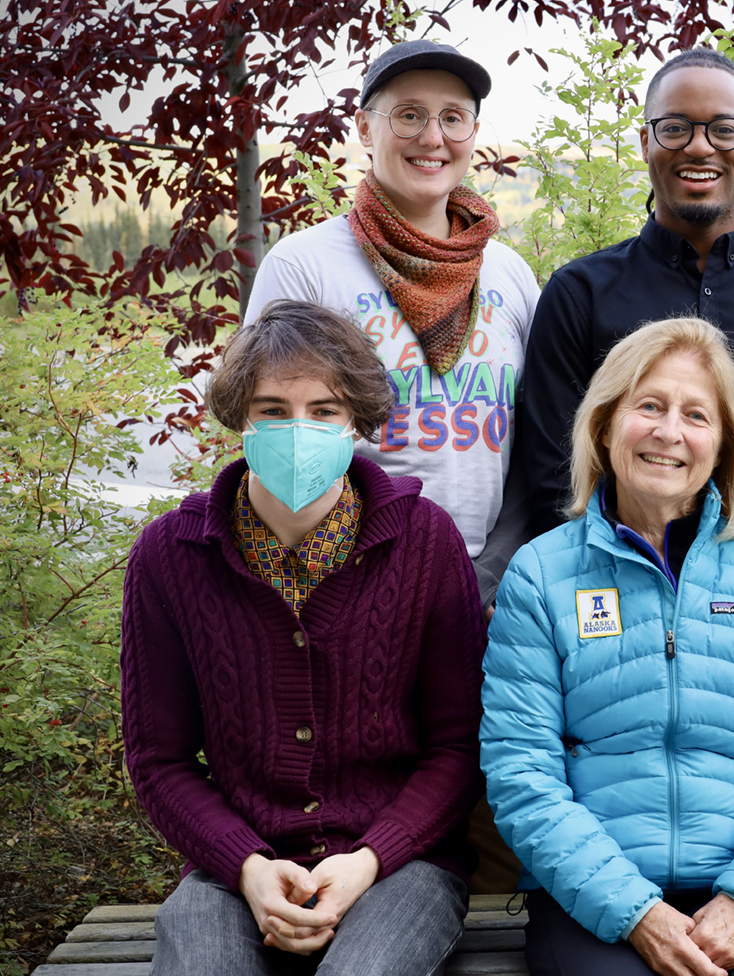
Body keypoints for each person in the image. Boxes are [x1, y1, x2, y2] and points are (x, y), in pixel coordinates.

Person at [121, 301, 486, 975]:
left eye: (324, 411)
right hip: (234, 871)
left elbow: (457, 746)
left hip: (400, 865)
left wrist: (370, 858)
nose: (299, 431)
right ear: (239, 418)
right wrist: (248, 867)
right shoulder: (170, 557)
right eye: (272, 411)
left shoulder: (425, 545)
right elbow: (159, 761)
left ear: (356, 421)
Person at [481, 317, 734, 976]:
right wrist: (634, 912)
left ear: (724, 442)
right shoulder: (541, 575)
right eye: (648, 406)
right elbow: (522, 773)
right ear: (604, 424)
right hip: (593, 900)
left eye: (696, 415)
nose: (669, 432)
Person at [512, 47, 734, 568]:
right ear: (645, 142)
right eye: (675, 127)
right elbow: (553, 471)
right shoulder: (578, 295)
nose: (700, 147)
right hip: (608, 591)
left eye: (723, 129)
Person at [245, 41, 540, 610]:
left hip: (489, 590)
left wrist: (498, 569)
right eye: (409, 115)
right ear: (363, 127)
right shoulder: (305, 267)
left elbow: (536, 438)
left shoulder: (510, 272)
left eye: (453, 118)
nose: (433, 138)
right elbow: (274, 443)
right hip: (348, 581)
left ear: (473, 133)